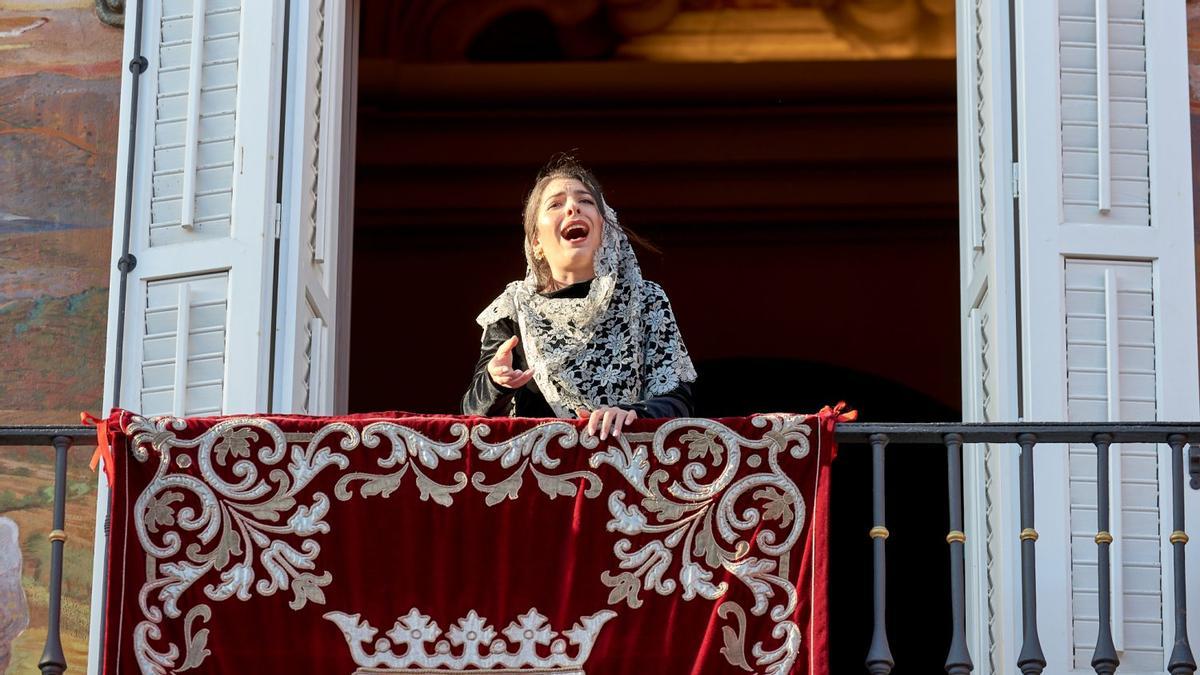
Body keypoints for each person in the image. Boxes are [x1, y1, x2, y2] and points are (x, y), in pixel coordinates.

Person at [461, 157, 697, 439]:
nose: (573, 207)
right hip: (539, 476)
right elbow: (470, 413)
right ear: (536, 241)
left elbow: (677, 401)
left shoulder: (646, 298)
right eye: (555, 204)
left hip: (630, 471)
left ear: (604, 227)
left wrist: (635, 414)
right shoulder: (512, 310)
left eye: (585, 201)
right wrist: (495, 380)